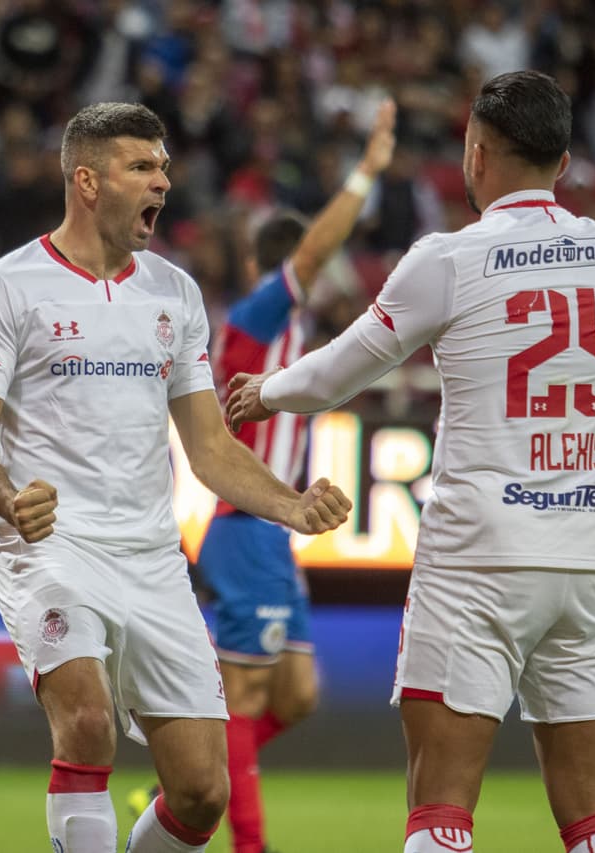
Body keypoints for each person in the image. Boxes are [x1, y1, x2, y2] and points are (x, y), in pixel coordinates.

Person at [226, 70, 595, 853]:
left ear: (476, 155)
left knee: (442, 808)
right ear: (562, 164)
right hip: (587, 559)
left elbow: (340, 369)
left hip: (478, 559)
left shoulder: (449, 259)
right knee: (594, 811)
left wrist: (267, 391)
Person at [0, 101, 354, 853]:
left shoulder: (173, 292)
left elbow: (211, 447)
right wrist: (8, 499)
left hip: (152, 557)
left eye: (164, 166)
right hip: (53, 549)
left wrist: (291, 506)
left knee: (202, 792)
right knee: (89, 724)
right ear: (88, 181)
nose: (163, 181)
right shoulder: (7, 287)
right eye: (143, 166)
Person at [198, 99, 395, 853]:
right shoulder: (258, 309)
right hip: (244, 525)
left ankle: (197, 775)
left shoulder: (290, 338)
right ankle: (246, 839)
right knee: (244, 696)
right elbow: (310, 256)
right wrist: (366, 173)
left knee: (298, 694)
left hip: (271, 533)